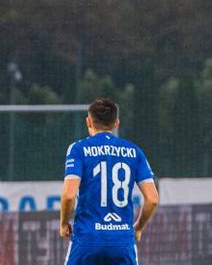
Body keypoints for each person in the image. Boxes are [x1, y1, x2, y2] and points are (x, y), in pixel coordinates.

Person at [60, 98, 159, 265]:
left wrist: (64, 224)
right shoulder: (134, 151)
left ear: (88, 122)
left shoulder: (78, 149)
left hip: (87, 241)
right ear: (116, 123)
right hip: (122, 242)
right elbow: (152, 199)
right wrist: (138, 228)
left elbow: (69, 196)